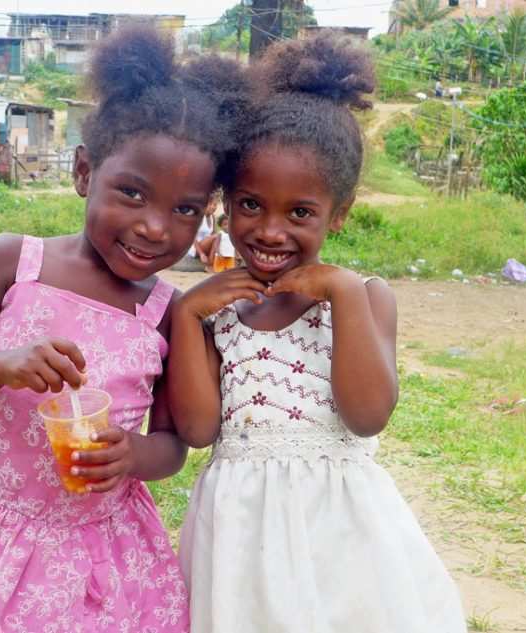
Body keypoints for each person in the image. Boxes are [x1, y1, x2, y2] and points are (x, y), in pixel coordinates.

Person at [0, 26, 243, 633]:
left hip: (97, 548)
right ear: (83, 173)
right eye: (132, 193)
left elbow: (174, 443)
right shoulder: (12, 262)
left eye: (185, 210)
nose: (156, 228)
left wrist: (134, 456)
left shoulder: (166, 312)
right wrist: (2, 367)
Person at [168, 33, 467, 633]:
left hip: (341, 536)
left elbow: (367, 415)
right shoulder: (216, 312)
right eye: (251, 205)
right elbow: (199, 431)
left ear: (341, 211)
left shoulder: (364, 298)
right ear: (225, 202)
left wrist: (345, 293)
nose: (270, 231)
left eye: (299, 212)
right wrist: (185, 316)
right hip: (239, 538)